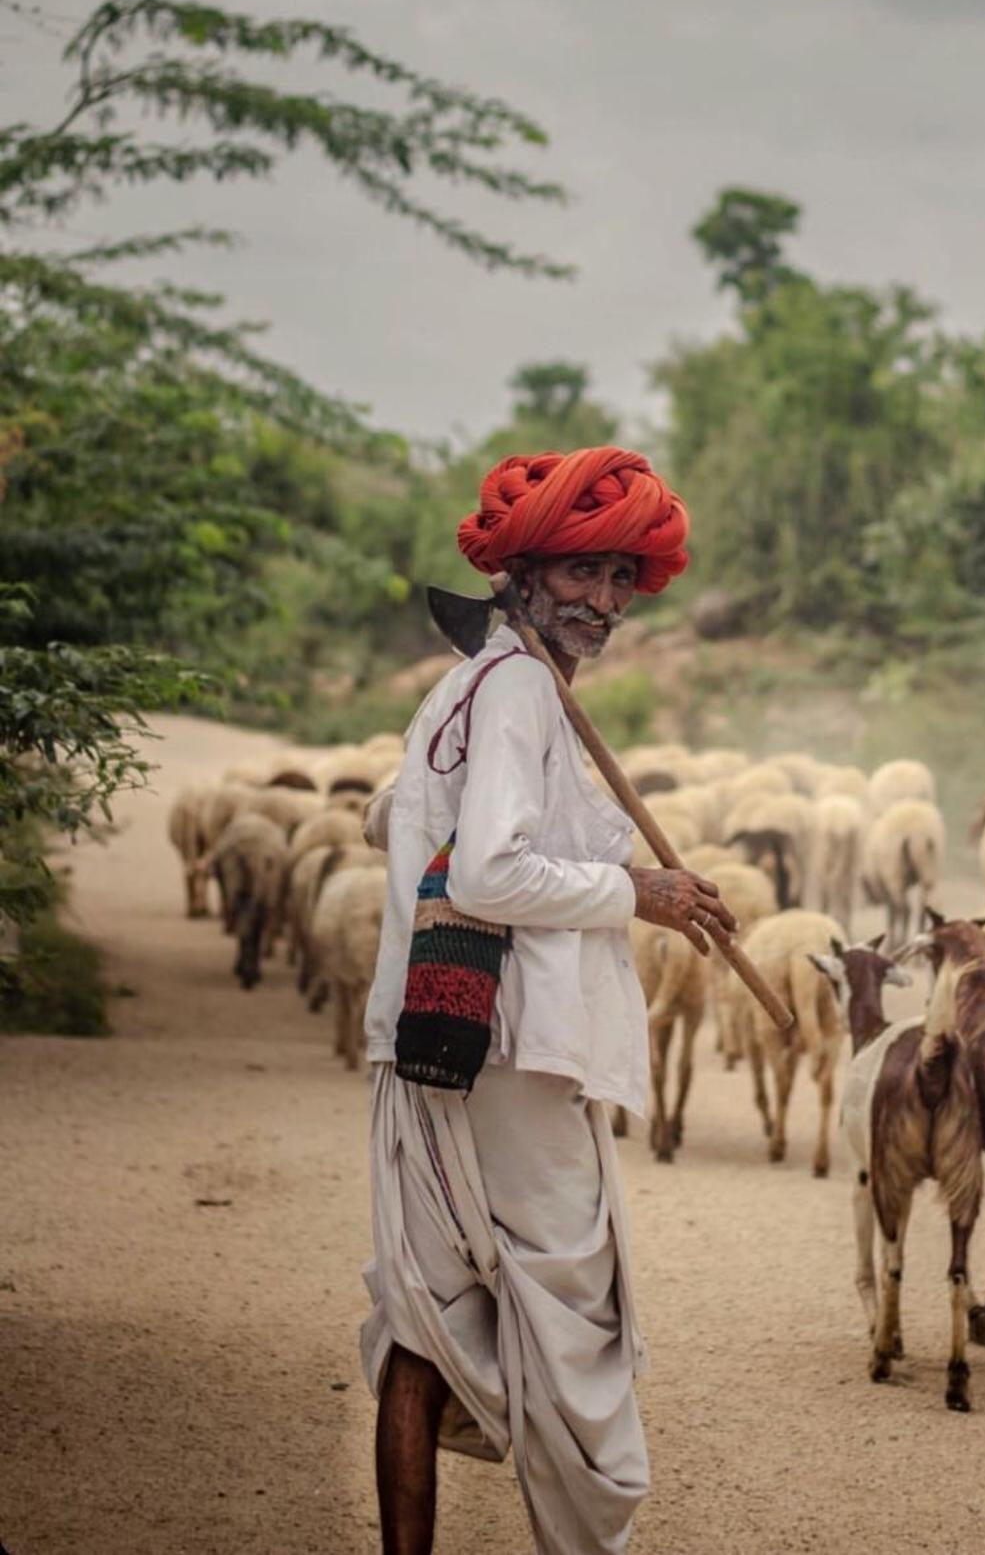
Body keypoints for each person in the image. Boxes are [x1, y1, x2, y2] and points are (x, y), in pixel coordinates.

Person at [361, 446, 736, 1555]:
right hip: (512, 1053)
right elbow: (487, 875)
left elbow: (405, 815)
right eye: (582, 574)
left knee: (423, 1326)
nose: (606, 602)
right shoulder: (518, 685)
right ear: (522, 572)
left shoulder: (470, 686)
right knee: (579, 1324)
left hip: (434, 1037)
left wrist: (405, 814)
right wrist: (641, 890)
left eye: (623, 578)